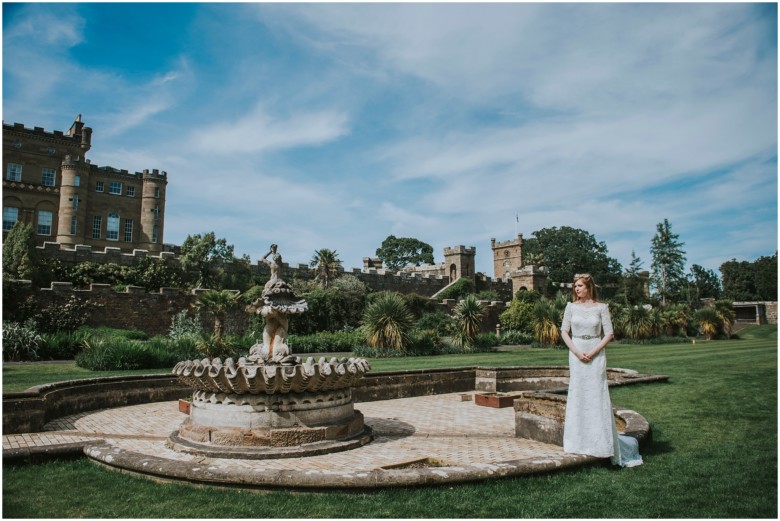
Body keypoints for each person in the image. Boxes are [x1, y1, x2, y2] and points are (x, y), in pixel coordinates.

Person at [560, 273, 643, 467]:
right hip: (576, 353)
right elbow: (564, 331)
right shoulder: (571, 307)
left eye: (580, 286)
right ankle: (577, 441)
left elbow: (609, 334)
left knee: (597, 395)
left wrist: (594, 351)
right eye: (575, 286)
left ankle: (600, 442)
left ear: (589, 287)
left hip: (596, 353)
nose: (576, 289)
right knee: (578, 395)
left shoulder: (601, 308)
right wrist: (578, 352)